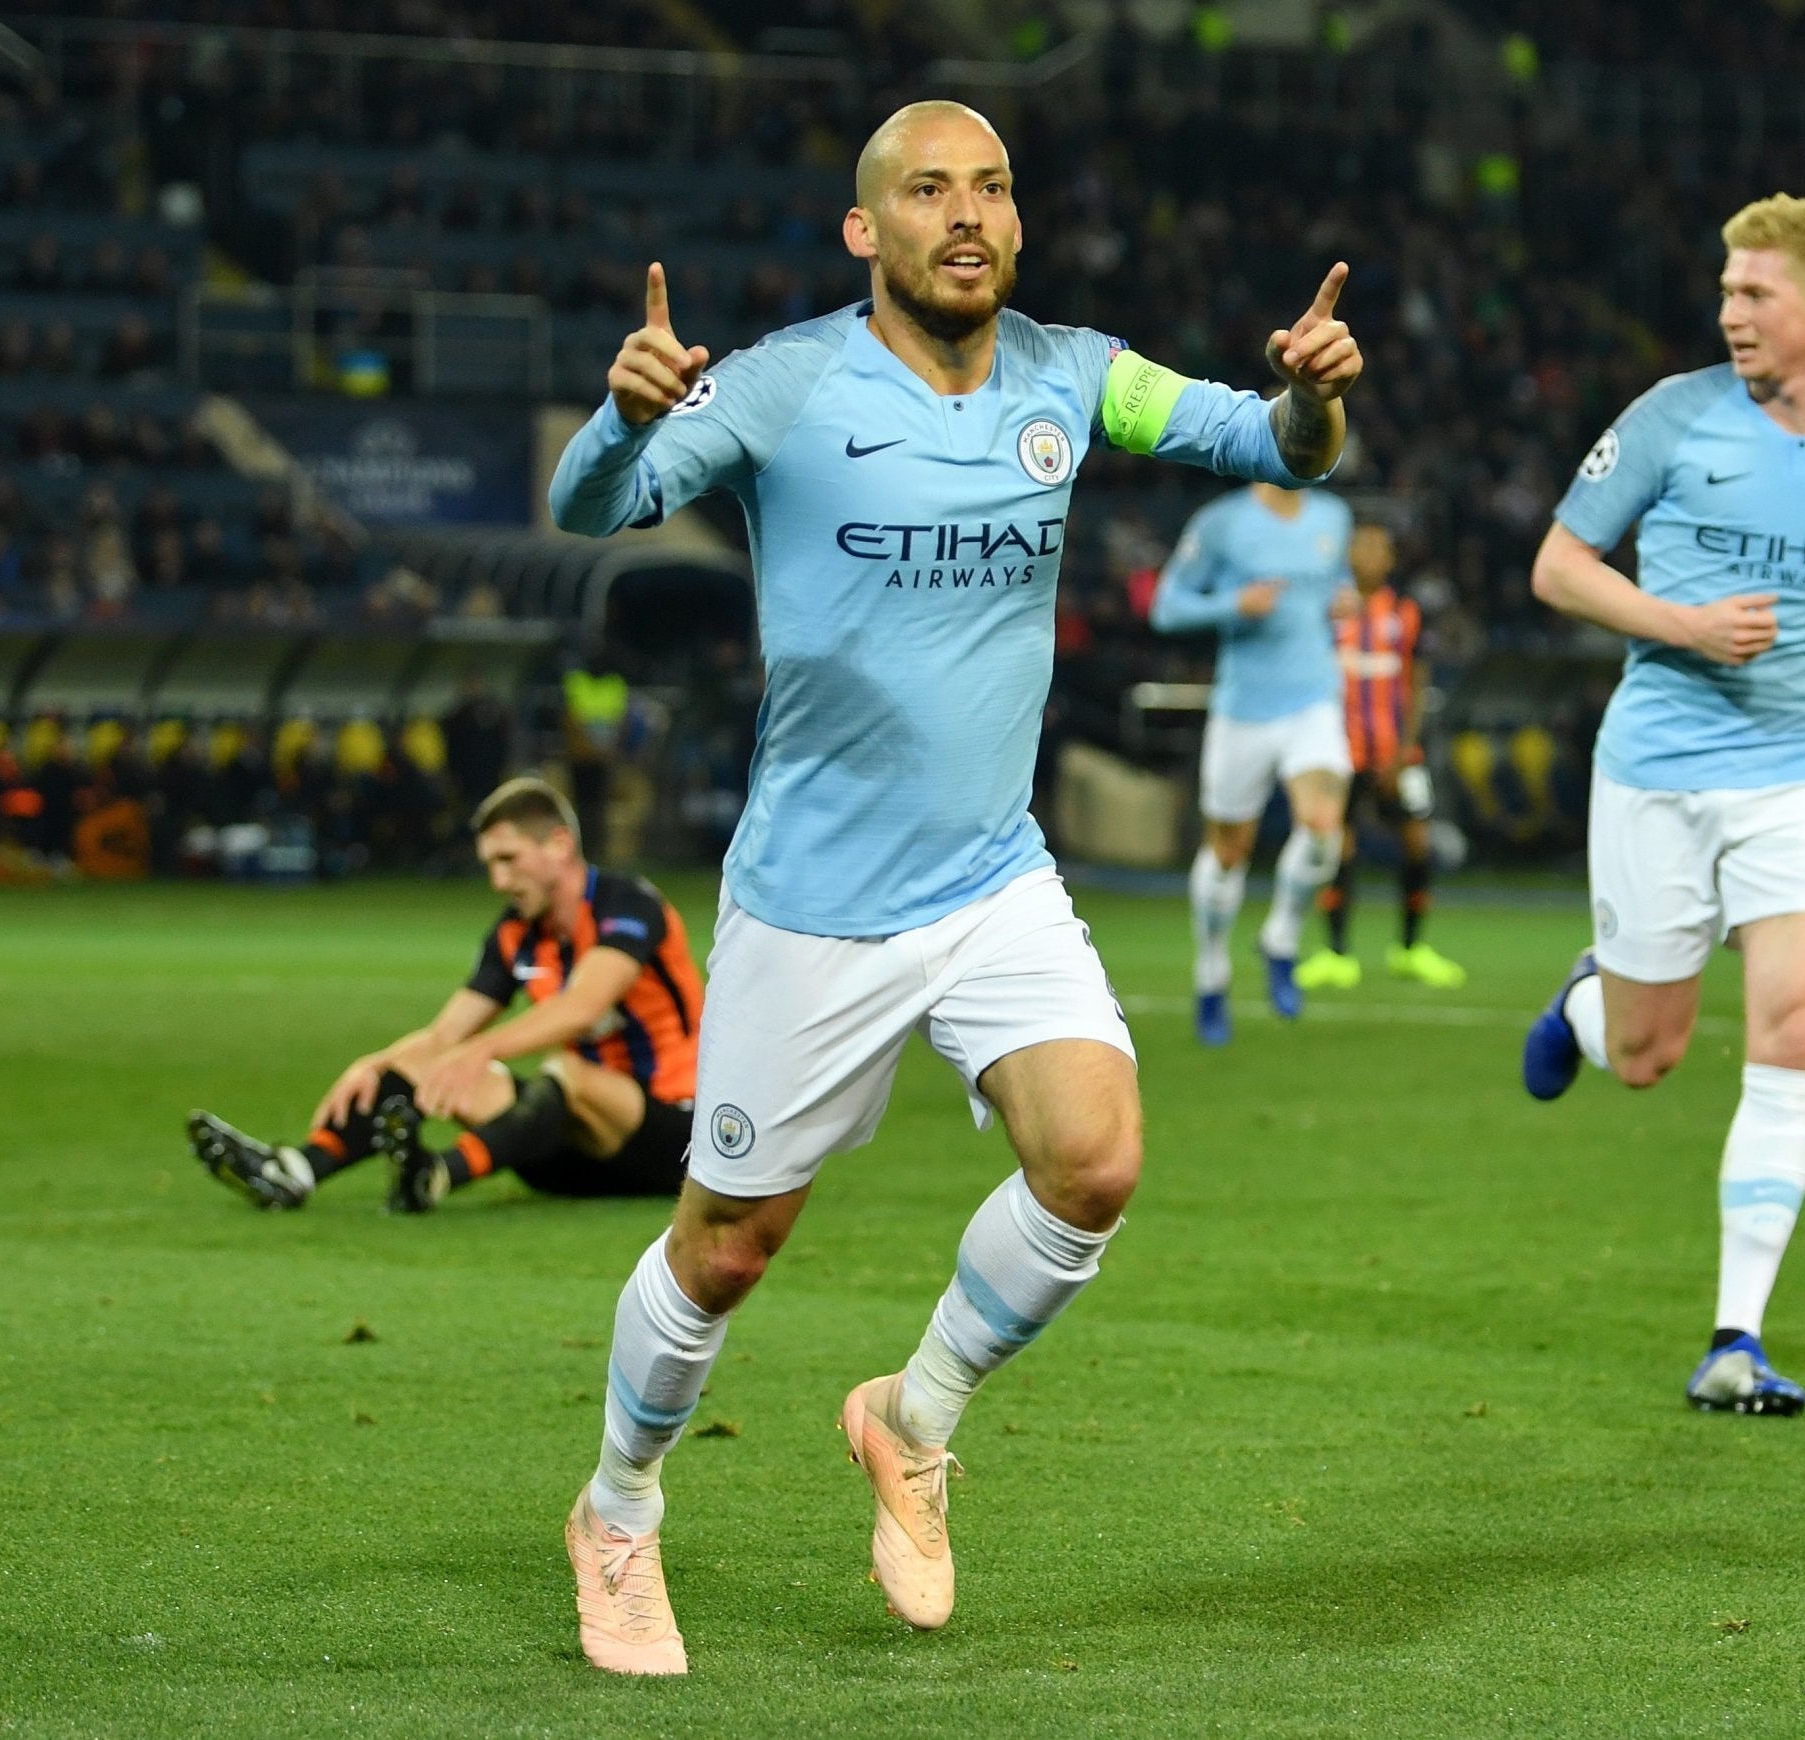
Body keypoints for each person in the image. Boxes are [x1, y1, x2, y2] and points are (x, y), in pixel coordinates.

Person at [546, 99, 1360, 1671]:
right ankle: (620, 1507)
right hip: (813, 904)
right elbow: (596, 510)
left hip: (994, 878)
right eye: (927, 192)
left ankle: (912, 1421)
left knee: (1098, 1159)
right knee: (726, 1247)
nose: (966, 215)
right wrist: (622, 416)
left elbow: (1273, 449)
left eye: (990, 188)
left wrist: (1311, 397)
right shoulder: (785, 386)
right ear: (868, 231)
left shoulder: (1076, 373)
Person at [1517, 195, 1805, 1417]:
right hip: (1659, 773)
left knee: (1794, 1029)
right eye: (1724, 290)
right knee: (1650, 1058)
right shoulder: (1671, 419)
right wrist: (1682, 626)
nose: (1729, 311)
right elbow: (1557, 566)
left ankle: (1735, 1340)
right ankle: (1585, 1002)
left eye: (1753, 293)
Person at [188, 777, 701, 1214]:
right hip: (571, 1154)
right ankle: (296, 1169)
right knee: (431, 1061)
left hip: (674, 1141)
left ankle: (435, 1176)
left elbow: (582, 1007)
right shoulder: (515, 933)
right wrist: (378, 1064)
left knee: (560, 1071)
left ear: (559, 845)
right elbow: (445, 1033)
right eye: (489, 864)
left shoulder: (628, 905)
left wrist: (480, 1051)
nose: (499, 880)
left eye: (509, 859)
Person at [1149, 479, 1354, 1042]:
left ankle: (1281, 938)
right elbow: (1167, 606)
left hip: (1314, 697)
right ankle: (1212, 970)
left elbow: (1338, 581)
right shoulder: (1222, 522)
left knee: (1322, 826)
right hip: (1244, 707)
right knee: (1229, 850)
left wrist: (1344, 599)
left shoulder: (1333, 516)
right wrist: (1233, 604)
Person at [1297, 520, 1466, 990]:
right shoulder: (1329, 611)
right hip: (1339, 753)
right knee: (1337, 849)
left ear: (1391, 560)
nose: (1368, 554)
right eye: (1360, 545)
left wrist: (1404, 749)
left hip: (1397, 753)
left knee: (1417, 845)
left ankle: (1410, 949)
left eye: (1377, 547)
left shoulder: (1407, 613)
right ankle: (1335, 954)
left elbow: (1417, 683)